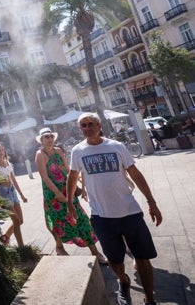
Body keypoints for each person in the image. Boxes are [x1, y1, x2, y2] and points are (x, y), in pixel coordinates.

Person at [68, 113, 162, 305]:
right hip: (101, 217)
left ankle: (150, 299)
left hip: (130, 212)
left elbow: (135, 173)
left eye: (91, 124)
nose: (88, 128)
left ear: (99, 125)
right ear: (80, 129)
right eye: (84, 125)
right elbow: (72, 175)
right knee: (114, 259)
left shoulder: (116, 146)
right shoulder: (78, 151)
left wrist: (152, 202)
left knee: (143, 258)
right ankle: (123, 280)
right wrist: (70, 201)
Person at [34, 127, 107, 262]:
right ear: (41, 140)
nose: (49, 139)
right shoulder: (40, 155)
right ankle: (59, 246)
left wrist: (80, 184)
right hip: (53, 194)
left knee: (81, 218)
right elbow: (45, 177)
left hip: (67, 190)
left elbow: (68, 170)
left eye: (51, 136)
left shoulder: (59, 151)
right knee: (57, 220)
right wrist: (57, 193)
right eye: (46, 137)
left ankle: (95, 252)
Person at [0, 142, 27, 247]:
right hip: (4, 193)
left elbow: (14, 180)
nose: (1, 152)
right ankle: (22, 247)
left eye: (3, 150)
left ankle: (5, 237)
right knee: (15, 220)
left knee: (20, 220)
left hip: (12, 191)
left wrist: (21, 195)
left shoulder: (7, 162)